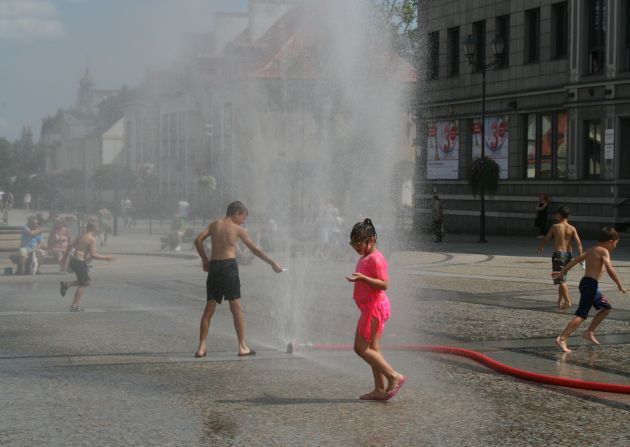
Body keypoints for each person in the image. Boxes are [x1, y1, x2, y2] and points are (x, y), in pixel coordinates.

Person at [193, 201, 283, 358]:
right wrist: (272, 262)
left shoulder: (215, 224)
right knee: (236, 308)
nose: (244, 221)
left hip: (214, 266)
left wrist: (205, 260)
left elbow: (198, 240)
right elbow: (255, 249)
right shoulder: (237, 229)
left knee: (209, 308)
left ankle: (201, 347)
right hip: (229, 267)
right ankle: (242, 346)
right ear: (236, 213)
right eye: (243, 217)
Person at [345, 218, 406, 401]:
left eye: (358, 242)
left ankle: (394, 376)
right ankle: (380, 389)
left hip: (374, 309)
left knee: (360, 348)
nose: (355, 246)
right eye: (352, 243)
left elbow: (384, 284)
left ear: (370, 240)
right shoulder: (366, 257)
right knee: (373, 349)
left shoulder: (376, 259)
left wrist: (363, 279)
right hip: (372, 307)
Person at [552, 227, 626, 353]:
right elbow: (609, 269)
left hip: (587, 284)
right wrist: (619, 284)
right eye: (615, 243)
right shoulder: (603, 251)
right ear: (611, 241)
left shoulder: (591, 250)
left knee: (606, 308)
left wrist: (561, 272)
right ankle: (562, 338)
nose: (615, 246)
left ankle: (589, 332)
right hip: (590, 285)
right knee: (582, 314)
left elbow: (575, 261)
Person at [59, 220, 115, 311]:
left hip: (74, 260)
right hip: (79, 262)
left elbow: (69, 245)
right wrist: (106, 258)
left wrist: (64, 259)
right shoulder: (91, 239)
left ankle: (66, 285)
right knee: (84, 283)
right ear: (95, 229)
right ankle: (74, 306)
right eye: (98, 228)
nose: (98, 230)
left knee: (86, 281)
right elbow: (93, 254)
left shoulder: (81, 235)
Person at [537, 206, 583, 310]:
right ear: (569, 216)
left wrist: (541, 246)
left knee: (560, 279)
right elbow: (579, 244)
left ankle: (568, 301)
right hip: (568, 255)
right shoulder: (572, 228)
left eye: (557, 214)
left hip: (558, 254)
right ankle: (560, 300)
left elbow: (547, 238)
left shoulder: (555, 226)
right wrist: (580, 256)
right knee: (562, 277)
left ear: (559, 215)